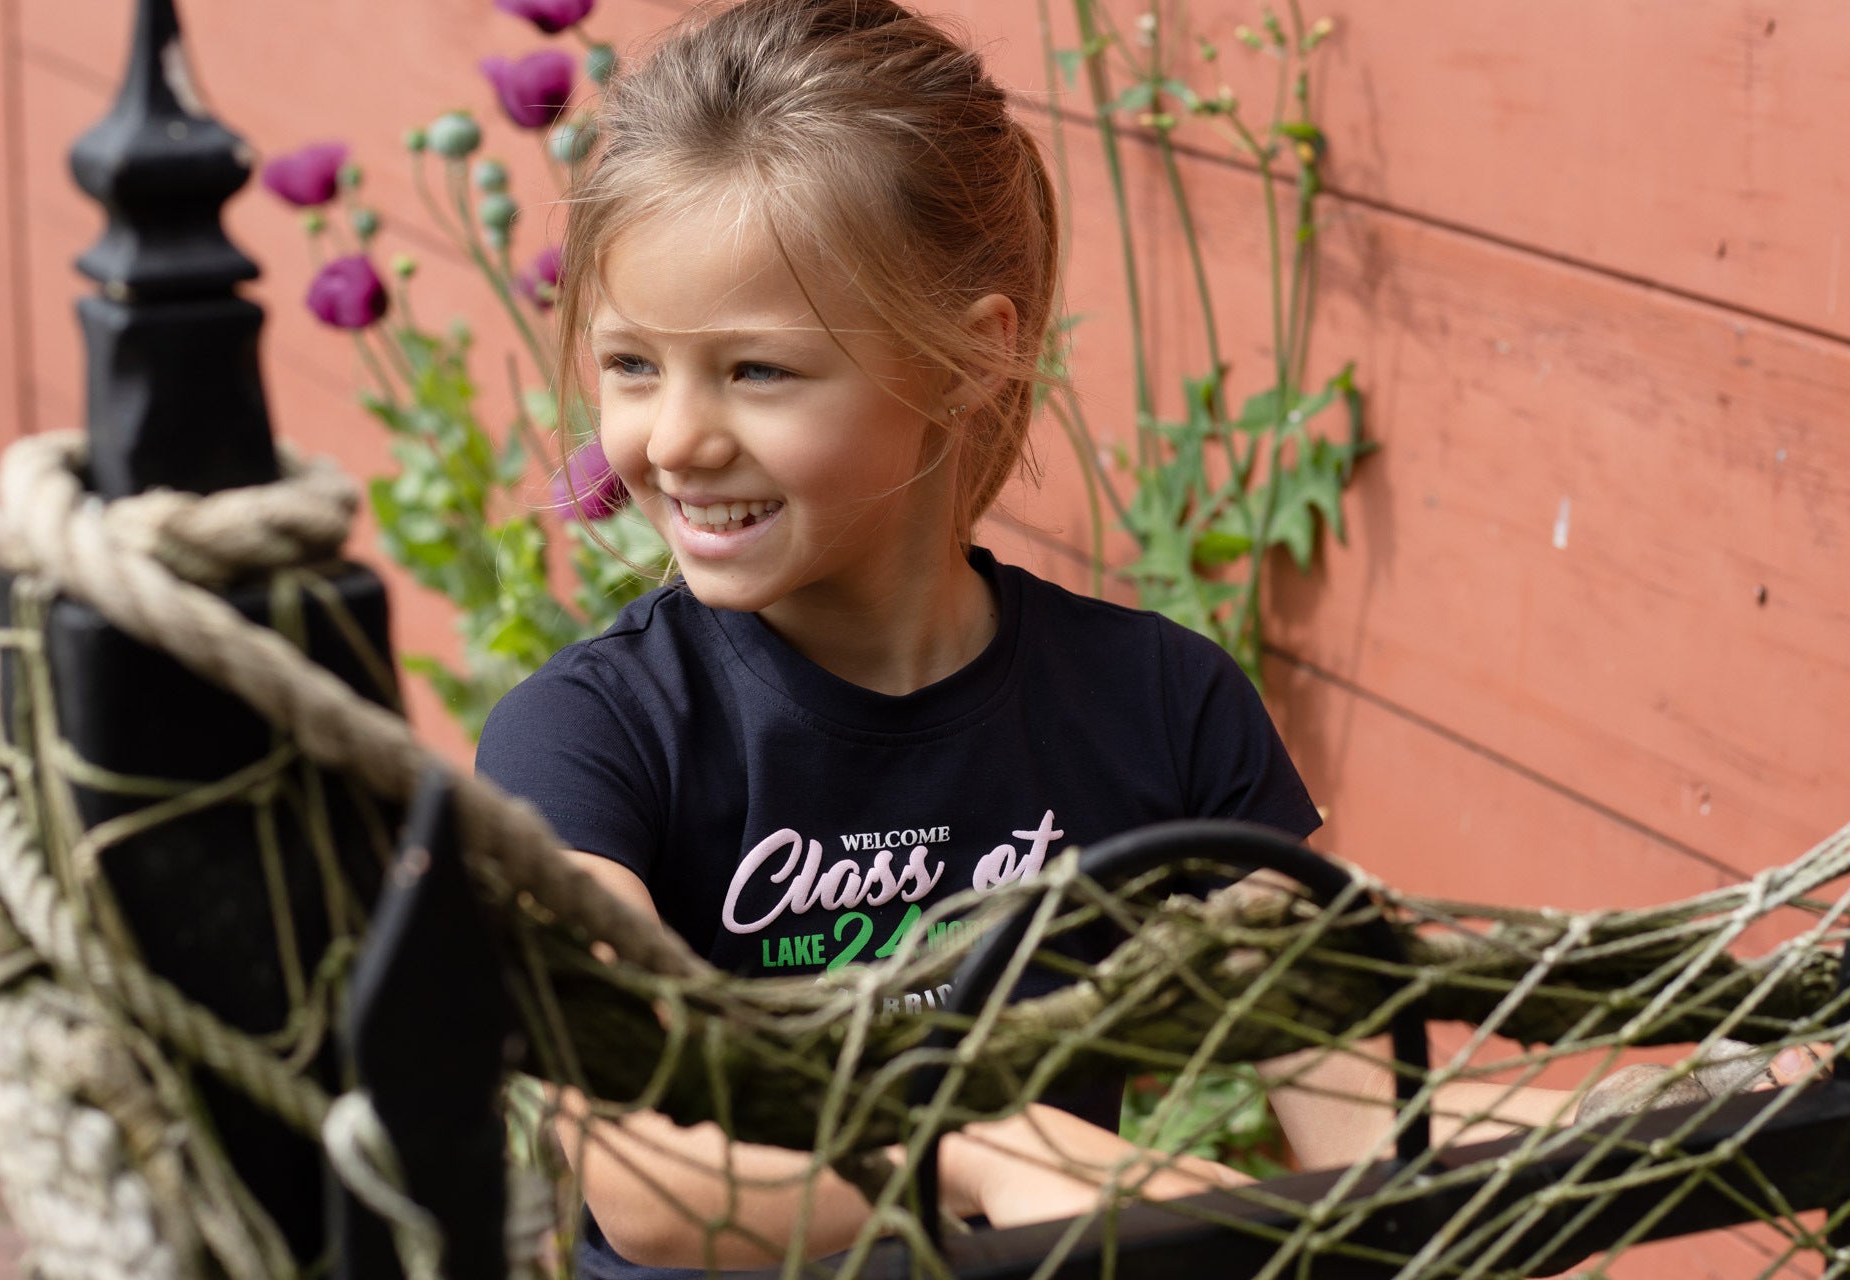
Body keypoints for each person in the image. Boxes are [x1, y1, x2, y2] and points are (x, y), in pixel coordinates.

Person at [474, 0, 1563, 1272]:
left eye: (756, 370)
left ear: (968, 357)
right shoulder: (589, 740)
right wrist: (985, 1149)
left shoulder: (1157, 705)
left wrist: (1665, 1104)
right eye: (632, 365)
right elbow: (653, 1172)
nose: (672, 439)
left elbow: (1369, 1111)